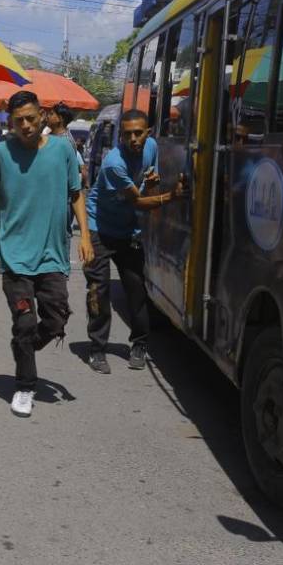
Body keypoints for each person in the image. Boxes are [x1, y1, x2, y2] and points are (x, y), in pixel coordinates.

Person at [0, 91, 93, 418]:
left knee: (56, 320)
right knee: (26, 320)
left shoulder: (62, 150)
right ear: (10, 122)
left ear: (42, 116)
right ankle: (25, 384)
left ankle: (23, 345)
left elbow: (75, 193)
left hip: (52, 255)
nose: (26, 126)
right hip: (14, 257)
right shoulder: (1, 153)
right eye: (18, 121)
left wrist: (84, 235)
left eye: (31, 118)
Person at [84, 109, 187, 373]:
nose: (133, 139)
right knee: (99, 289)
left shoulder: (151, 147)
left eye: (138, 133)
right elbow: (139, 201)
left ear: (148, 133)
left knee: (137, 290)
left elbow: (146, 191)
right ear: (121, 136)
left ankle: (139, 344)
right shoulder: (113, 164)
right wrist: (171, 196)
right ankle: (97, 348)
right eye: (127, 134)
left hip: (129, 230)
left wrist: (153, 183)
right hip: (100, 228)